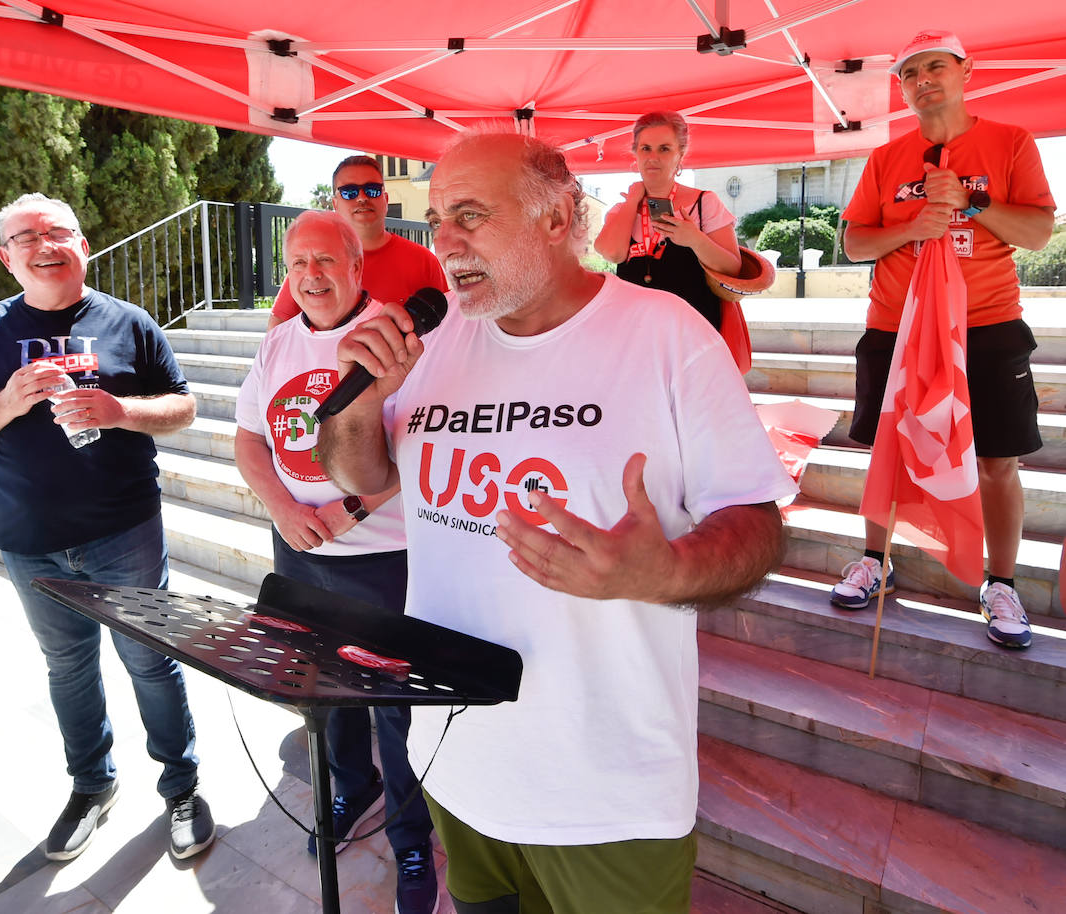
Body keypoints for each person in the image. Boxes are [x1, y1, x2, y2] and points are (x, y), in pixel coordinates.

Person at [317, 133, 796, 914]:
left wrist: (665, 572)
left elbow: (758, 523)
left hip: (608, 793)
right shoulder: (431, 340)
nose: (445, 242)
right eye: (437, 220)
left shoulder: (667, 334)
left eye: (470, 214)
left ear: (558, 217)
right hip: (457, 763)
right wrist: (361, 402)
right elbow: (361, 475)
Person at [0, 193, 215, 862]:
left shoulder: (129, 323)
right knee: (68, 667)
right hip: (29, 539)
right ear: (7, 257)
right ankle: (91, 785)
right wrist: (5, 402)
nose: (45, 243)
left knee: (151, 658)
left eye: (58, 230)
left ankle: (181, 786)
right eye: (26, 236)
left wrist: (121, 410)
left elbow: (183, 406)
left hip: (124, 528)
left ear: (82, 244)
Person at [235, 210, 438, 914]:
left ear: (358, 266)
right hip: (296, 550)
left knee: (392, 705)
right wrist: (284, 512)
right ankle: (354, 785)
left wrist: (345, 513)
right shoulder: (279, 343)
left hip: (381, 556)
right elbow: (248, 440)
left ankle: (413, 833)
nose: (312, 275)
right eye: (298, 264)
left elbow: (419, 448)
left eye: (326, 261)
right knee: (323, 684)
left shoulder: (398, 339)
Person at [832, 30, 1055, 651]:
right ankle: (874, 561)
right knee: (886, 449)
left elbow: (1037, 231)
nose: (923, 79)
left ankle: (1000, 581)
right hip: (896, 328)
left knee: (997, 460)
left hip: (985, 325)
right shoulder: (886, 157)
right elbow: (853, 244)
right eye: (910, 73)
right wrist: (909, 227)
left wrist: (971, 202)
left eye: (935, 67)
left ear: (965, 71)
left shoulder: (1010, 142)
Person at [593, 111, 741, 331]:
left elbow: (733, 269)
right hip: (636, 334)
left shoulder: (704, 203)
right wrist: (633, 199)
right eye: (645, 148)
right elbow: (612, 253)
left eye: (664, 148)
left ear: (680, 154)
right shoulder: (623, 208)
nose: (653, 157)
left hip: (691, 336)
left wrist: (695, 240)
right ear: (636, 153)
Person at [267, 155, 447, 330]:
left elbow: (449, 327)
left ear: (385, 200)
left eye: (372, 189)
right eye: (349, 192)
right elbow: (277, 333)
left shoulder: (423, 261)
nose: (361, 198)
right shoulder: (311, 267)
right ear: (335, 204)